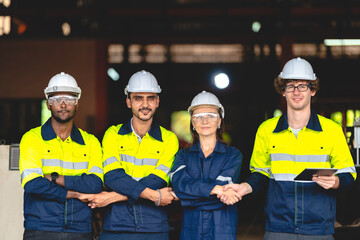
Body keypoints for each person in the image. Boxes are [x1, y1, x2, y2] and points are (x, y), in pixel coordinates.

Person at [222, 57, 357, 240]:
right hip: (278, 227)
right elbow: (261, 174)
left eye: (303, 86)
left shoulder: (331, 130)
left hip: (318, 228)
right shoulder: (267, 130)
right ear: (283, 91)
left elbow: (349, 172)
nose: (296, 91)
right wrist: (245, 188)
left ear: (313, 90)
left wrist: (336, 182)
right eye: (290, 85)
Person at [88, 70, 179, 240]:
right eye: (138, 98)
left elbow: (158, 180)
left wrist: (113, 197)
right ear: (128, 102)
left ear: (157, 101)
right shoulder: (112, 134)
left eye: (150, 98)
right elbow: (112, 177)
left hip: (154, 227)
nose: (145, 104)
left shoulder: (169, 139)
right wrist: (154, 195)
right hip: (116, 226)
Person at [19, 72, 104, 240]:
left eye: (69, 99)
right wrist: (75, 194)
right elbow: (33, 185)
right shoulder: (32, 139)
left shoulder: (91, 142)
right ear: (49, 104)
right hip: (40, 228)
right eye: (57, 99)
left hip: (79, 229)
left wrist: (55, 178)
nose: (63, 104)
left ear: (77, 103)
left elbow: (94, 185)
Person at [169, 91, 243, 240]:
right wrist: (214, 189)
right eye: (198, 117)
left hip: (222, 227)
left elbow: (224, 192)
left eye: (211, 116)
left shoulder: (233, 155)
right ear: (193, 124)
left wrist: (184, 197)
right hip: (191, 228)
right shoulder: (182, 156)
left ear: (219, 121)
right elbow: (179, 184)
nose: (205, 121)